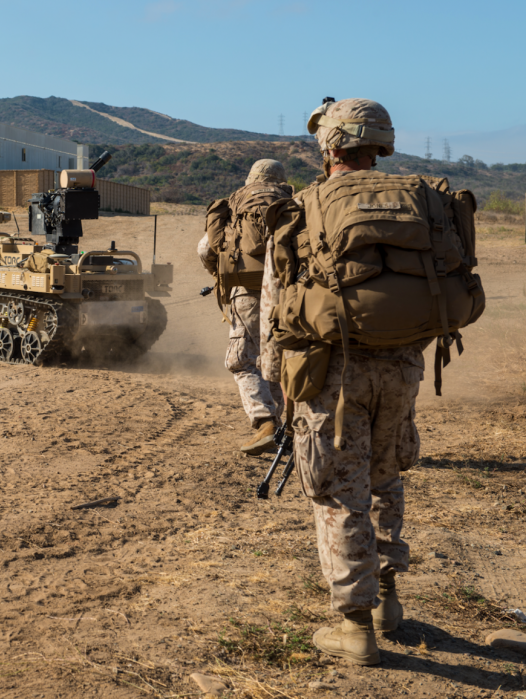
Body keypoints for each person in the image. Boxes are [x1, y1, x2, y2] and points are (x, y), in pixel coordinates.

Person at [261, 98, 483, 665]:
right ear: (379, 145)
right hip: (405, 364)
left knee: (339, 490)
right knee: (385, 474)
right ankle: (388, 599)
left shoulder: (303, 207)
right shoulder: (424, 200)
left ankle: (355, 626)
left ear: (330, 146)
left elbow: (275, 315)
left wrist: (278, 387)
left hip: (332, 369)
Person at [198, 159, 291, 455]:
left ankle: (265, 421)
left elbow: (206, 248)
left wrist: (221, 272)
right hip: (292, 294)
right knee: (277, 360)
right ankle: (285, 429)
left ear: (251, 179)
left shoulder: (237, 204)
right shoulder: (293, 204)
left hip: (247, 292)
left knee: (242, 360)